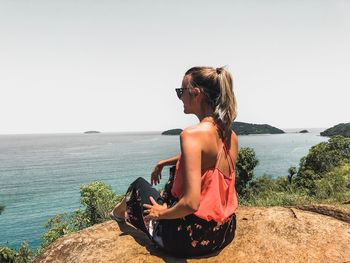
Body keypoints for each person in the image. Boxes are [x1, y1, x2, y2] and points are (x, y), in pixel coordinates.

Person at [110, 66, 238, 257]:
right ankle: (124, 211)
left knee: (138, 186)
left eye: (181, 92)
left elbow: (191, 204)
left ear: (196, 94)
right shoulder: (229, 134)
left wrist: (160, 213)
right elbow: (206, 158)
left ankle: (118, 213)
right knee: (160, 195)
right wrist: (165, 162)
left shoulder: (191, 135)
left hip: (189, 239)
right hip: (224, 232)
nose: (180, 97)